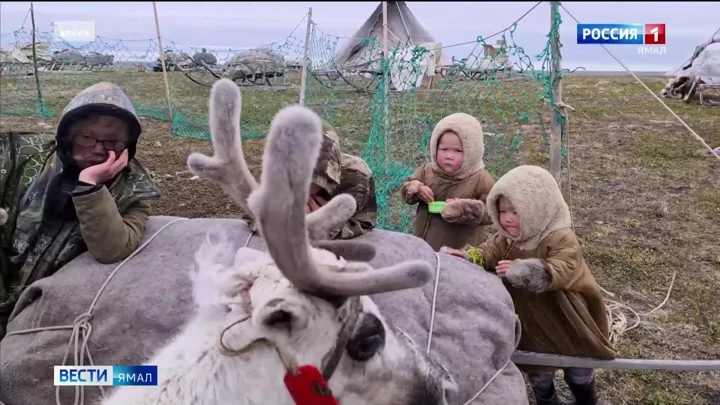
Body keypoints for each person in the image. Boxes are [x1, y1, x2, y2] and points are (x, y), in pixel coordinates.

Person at [442, 165, 616, 405]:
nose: (507, 218)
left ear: (537, 209)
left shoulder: (562, 238)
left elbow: (563, 268)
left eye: (515, 211)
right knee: (539, 372)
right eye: (502, 211)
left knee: (578, 370)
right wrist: (472, 257)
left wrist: (524, 271)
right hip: (531, 321)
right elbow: (490, 251)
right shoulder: (507, 237)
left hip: (567, 320)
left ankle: (586, 400)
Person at [0, 82, 161, 338]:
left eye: (113, 142)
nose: (99, 148)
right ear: (66, 137)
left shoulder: (133, 189)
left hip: (51, 311)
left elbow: (112, 249)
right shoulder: (19, 157)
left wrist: (90, 186)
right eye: (86, 138)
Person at [243, 119, 377, 240]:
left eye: (310, 181)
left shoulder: (356, 176)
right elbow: (253, 216)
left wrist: (326, 225)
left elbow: (364, 221)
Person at [399, 112, 495, 251]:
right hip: (424, 244)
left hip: (459, 250)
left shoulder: (481, 179)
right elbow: (405, 191)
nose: (449, 156)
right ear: (434, 147)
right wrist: (416, 189)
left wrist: (464, 209)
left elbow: (492, 211)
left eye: (457, 151)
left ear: (472, 152)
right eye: (444, 149)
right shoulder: (427, 171)